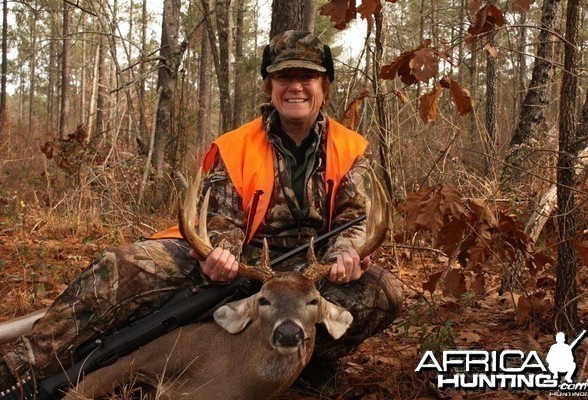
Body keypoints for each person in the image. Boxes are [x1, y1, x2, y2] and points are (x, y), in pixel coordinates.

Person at [0, 30, 402, 394]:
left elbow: (358, 218)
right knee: (121, 265)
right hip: (241, 260)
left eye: (307, 77)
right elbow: (220, 217)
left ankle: (302, 367)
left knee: (384, 293)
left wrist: (346, 256)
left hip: (308, 272)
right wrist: (221, 253)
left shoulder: (350, 149)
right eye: (284, 77)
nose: (295, 87)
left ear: (323, 87)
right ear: (270, 86)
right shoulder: (235, 146)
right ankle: (21, 366)